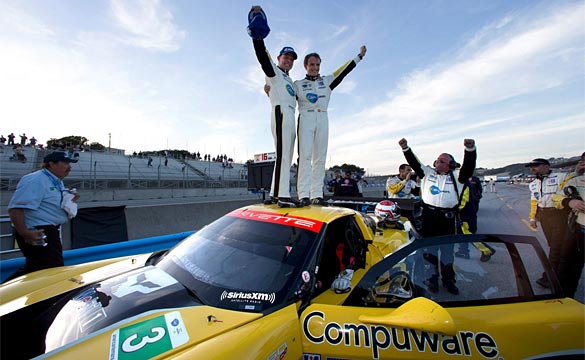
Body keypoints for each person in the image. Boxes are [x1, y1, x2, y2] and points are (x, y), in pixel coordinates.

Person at [399, 138, 477, 295]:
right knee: (430, 252)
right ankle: (431, 280)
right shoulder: (427, 173)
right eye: (437, 160)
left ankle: (449, 281)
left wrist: (470, 150)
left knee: (447, 253)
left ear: (450, 165)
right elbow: (414, 163)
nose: (437, 162)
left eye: (442, 161)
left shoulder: (457, 177)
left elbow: (468, 167)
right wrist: (405, 148)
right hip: (429, 217)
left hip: (447, 220)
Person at [295, 47, 367, 206]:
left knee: (320, 157)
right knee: (305, 157)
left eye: (317, 65)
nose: (315, 68)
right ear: (305, 66)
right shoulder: (298, 84)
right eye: (312, 64)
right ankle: (303, 194)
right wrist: (270, 91)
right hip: (306, 117)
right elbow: (285, 97)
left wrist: (359, 57)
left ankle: (316, 194)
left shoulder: (326, 81)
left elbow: (344, 70)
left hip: (323, 116)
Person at [248, 5, 300, 208]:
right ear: (279, 59)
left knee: (286, 156)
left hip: (290, 114)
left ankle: (275, 193)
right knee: (282, 154)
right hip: (280, 112)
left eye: (291, 58)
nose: (288, 60)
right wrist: (257, 37)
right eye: (285, 57)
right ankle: (282, 196)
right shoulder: (275, 73)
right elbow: (263, 57)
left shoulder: (289, 79)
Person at [4, 151, 80, 282]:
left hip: (49, 231)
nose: (69, 167)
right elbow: (15, 208)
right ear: (52, 164)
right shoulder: (35, 179)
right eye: (65, 163)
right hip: (37, 231)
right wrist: (25, 232)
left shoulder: (55, 181)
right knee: (49, 271)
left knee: (38, 269)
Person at [526, 158, 570, 288]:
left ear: (546, 166)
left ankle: (550, 277)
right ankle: (558, 273)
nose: (532, 169)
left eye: (535, 166)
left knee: (556, 247)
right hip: (544, 216)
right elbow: (534, 201)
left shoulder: (561, 177)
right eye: (531, 166)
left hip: (559, 214)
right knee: (554, 246)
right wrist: (533, 218)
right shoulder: (533, 184)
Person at [552, 152, 585, 298]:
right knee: (567, 266)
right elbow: (558, 197)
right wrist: (570, 202)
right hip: (578, 229)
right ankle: (563, 298)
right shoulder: (578, 180)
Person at [455, 176, 496, 261]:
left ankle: (486, 250)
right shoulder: (463, 182)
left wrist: (455, 210)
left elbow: (463, 200)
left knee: (468, 234)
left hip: (465, 214)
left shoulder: (463, 183)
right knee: (461, 233)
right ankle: (463, 251)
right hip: (467, 213)